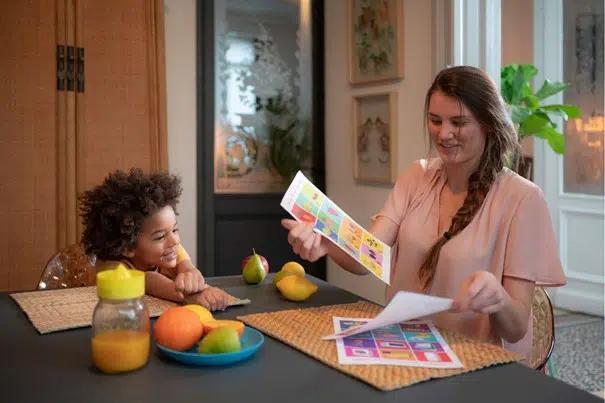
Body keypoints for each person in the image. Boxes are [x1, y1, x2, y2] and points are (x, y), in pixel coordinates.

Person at [281, 65, 566, 364]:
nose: (444, 134)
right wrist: (326, 240)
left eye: (458, 122)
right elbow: (368, 256)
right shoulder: (416, 175)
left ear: (488, 124)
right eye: (435, 120)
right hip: (404, 352)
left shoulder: (523, 198)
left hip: (476, 366)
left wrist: (497, 298)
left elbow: (518, 326)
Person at [79, 168, 230, 311]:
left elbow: (186, 266)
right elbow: (149, 281)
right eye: (160, 236)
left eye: (174, 230)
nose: (174, 241)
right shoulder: (112, 268)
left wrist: (189, 272)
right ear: (128, 247)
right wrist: (193, 294)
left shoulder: (169, 248)